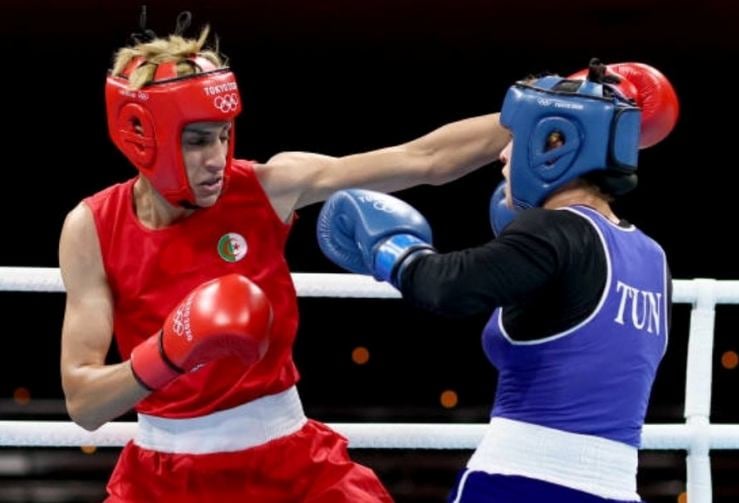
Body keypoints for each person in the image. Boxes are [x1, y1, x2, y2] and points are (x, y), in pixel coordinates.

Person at [57, 15, 510, 502]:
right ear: (142, 136)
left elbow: (423, 159)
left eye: (224, 135)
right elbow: (84, 403)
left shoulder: (267, 187)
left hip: (290, 466)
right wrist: (169, 352)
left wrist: (538, 110)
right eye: (197, 140)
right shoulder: (92, 228)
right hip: (162, 481)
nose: (217, 157)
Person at [317, 59, 679, 502]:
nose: (503, 155)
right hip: (618, 489)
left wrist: (391, 249)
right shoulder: (651, 257)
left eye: (515, 139)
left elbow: (446, 287)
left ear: (555, 143)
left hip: (520, 482)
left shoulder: (556, 230)